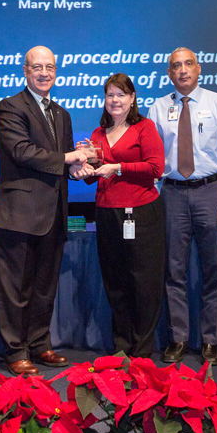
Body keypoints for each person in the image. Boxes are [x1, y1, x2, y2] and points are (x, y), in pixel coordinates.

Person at [0, 45, 91, 376]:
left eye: (49, 67)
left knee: (44, 287)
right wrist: (67, 160)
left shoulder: (61, 113)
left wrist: (77, 168)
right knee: (15, 287)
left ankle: (39, 343)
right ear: (25, 70)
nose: (44, 73)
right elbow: (22, 151)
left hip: (54, 213)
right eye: (37, 67)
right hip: (19, 213)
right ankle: (15, 350)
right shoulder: (9, 107)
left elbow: (61, 160)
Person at [147, 47, 217, 366]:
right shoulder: (158, 108)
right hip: (171, 195)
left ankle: (211, 340)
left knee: (213, 270)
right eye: (176, 66)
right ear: (169, 73)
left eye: (188, 64)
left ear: (199, 69)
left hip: (210, 192)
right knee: (173, 270)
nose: (183, 70)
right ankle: (178, 338)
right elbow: (153, 161)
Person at [79, 73, 165, 358]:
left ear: (132, 99)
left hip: (141, 213)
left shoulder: (145, 127)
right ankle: (122, 346)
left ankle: (142, 348)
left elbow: (155, 168)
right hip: (106, 214)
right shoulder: (97, 134)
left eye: (121, 95)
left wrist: (117, 167)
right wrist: (85, 164)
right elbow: (92, 178)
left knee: (144, 282)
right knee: (115, 282)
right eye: (110, 95)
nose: (115, 100)